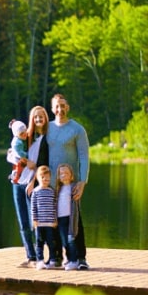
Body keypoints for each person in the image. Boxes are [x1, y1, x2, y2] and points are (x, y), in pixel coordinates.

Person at [46, 93, 90, 270]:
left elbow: (84, 157)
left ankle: (80, 258)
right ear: (52, 108)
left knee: (74, 221)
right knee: (52, 221)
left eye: (63, 105)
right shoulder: (47, 129)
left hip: (70, 184)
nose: (60, 109)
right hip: (50, 184)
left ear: (68, 107)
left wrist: (82, 181)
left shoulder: (77, 130)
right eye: (57, 106)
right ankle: (55, 257)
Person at [11, 106, 50, 267]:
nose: (38, 120)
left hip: (32, 184)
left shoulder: (45, 139)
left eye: (41, 117)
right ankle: (31, 256)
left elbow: (43, 163)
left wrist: (33, 181)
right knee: (23, 222)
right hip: (18, 182)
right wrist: (21, 161)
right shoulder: (25, 138)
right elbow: (12, 154)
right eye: (35, 117)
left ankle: (40, 256)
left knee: (35, 221)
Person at [30, 165, 60, 269]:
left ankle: (52, 260)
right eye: (42, 177)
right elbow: (33, 207)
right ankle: (40, 261)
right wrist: (34, 219)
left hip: (50, 223)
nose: (45, 180)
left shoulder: (51, 192)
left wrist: (55, 219)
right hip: (39, 223)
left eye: (47, 178)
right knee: (39, 243)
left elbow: (55, 206)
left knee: (51, 242)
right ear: (38, 178)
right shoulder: (36, 191)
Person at [54, 163, 81, 270]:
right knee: (64, 240)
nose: (64, 175)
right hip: (60, 218)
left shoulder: (73, 187)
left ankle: (74, 260)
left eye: (66, 173)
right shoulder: (58, 189)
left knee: (71, 239)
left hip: (70, 218)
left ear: (71, 175)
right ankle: (68, 259)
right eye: (61, 173)